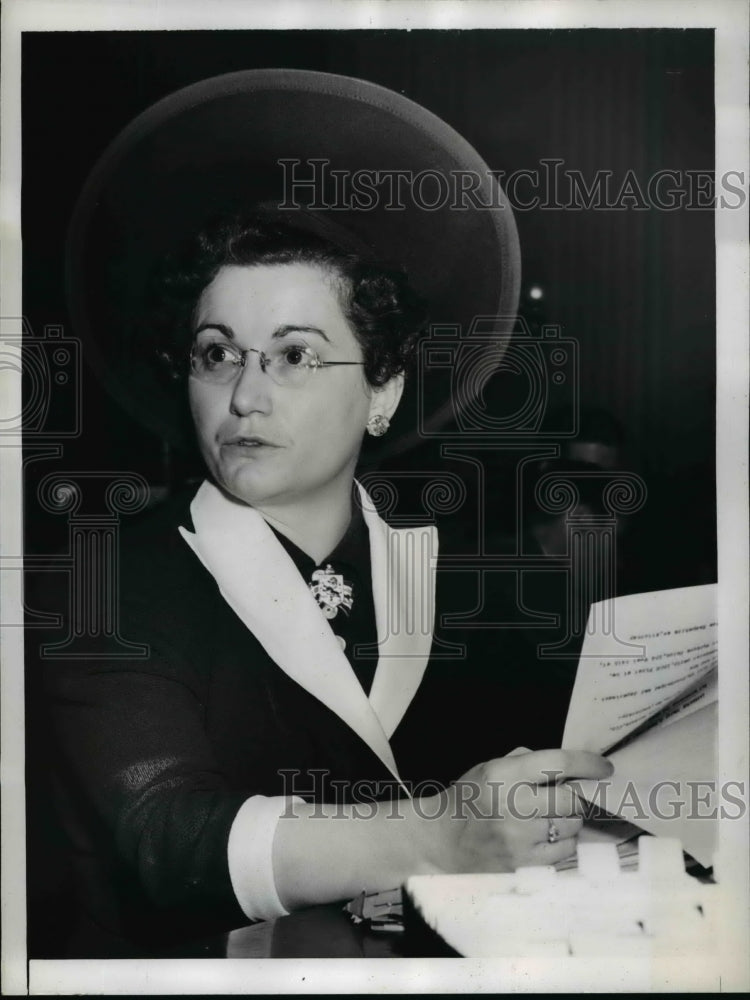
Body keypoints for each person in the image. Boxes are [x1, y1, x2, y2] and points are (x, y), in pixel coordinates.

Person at [34, 70, 612, 958]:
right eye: (217, 353)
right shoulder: (108, 579)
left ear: (383, 391)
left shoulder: (459, 582)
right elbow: (169, 836)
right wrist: (436, 835)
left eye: (297, 356)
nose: (246, 396)